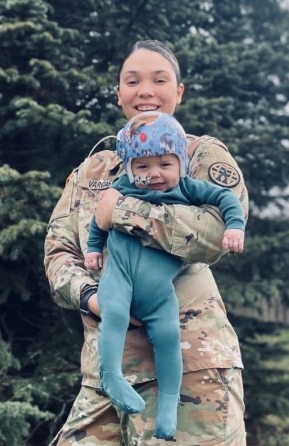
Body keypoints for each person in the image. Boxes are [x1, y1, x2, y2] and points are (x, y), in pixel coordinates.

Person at [44, 39, 249, 445]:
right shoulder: (94, 169)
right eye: (132, 80)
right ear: (119, 92)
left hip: (192, 369)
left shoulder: (201, 156)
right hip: (106, 373)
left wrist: (121, 213)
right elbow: (58, 250)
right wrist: (91, 297)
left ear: (178, 91)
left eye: (160, 79)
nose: (146, 90)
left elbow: (213, 234)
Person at [83, 111, 245, 439]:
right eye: (143, 167)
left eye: (165, 164)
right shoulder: (122, 187)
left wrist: (235, 226)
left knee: (169, 336)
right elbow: (98, 221)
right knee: (112, 316)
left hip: (159, 291)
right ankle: (111, 375)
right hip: (121, 277)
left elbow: (225, 198)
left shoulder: (188, 188)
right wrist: (93, 249)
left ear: (180, 163)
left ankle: (169, 406)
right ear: (130, 168)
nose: (154, 174)